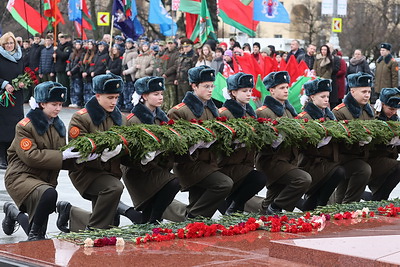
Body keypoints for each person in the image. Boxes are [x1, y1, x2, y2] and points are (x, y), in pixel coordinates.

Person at [2, 81, 80, 241]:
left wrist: (79, 158)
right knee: (49, 195)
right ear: (42, 103)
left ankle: (13, 212)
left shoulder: (58, 126)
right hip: (21, 177)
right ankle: (34, 236)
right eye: (54, 104)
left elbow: (60, 158)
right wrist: (63, 155)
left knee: (37, 231)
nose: (59, 108)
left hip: (44, 180)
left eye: (60, 104)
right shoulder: (25, 126)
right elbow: (30, 156)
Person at [56, 73, 126, 232]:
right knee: (114, 188)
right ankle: (93, 230)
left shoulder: (121, 118)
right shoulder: (81, 118)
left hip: (110, 171)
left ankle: (71, 214)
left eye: (116, 97)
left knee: (109, 220)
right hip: (85, 172)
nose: (114, 102)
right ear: (98, 95)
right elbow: (77, 151)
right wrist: (102, 157)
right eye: (110, 97)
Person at [167, 65, 233, 218]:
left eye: (212, 86)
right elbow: (175, 146)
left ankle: (195, 223)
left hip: (209, 163)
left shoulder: (212, 109)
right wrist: (194, 144)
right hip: (189, 165)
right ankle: (193, 218)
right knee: (224, 184)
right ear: (194, 86)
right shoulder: (179, 111)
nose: (210, 90)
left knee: (198, 200)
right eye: (206, 86)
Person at [249, 71, 312, 214]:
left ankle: (266, 212)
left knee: (273, 196)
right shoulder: (263, 112)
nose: (286, 90)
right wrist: (273, 141)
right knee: (303, 179)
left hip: (288, 159)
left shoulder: (289, 111)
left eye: (287, 87)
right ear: (271, 90)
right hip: (271, 161)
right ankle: (275, 208)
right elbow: (258, 143)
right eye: (281, 88)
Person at [120, 77, 180, 224]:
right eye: (155, 94)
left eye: (161, 94)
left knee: (148, 212)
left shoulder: (161, 118)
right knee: (173, 182)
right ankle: (153, 221)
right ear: (144, 96)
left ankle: (147, 220)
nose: (160, 97)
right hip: (139, 170)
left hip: (157, 167)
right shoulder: (133, 120)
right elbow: (128, 152)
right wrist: (146, 155)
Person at [218, 73, 266, 214]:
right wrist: (235, 142)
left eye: (250, 90)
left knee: (258, 179)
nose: (248, 94)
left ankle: (234, 207)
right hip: (228, 165)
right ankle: (232, 207)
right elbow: (220, 144)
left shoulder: (250, 114)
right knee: (259, 178)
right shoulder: (224, 113)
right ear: (233, 92)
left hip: (245, 163)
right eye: (244, 91)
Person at [296, 78, 345, 210]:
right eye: (322, 96)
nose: (326, 99)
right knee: (338, 171)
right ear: (312, 97)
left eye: (327, 96)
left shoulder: (330, 116)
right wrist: (317, 142)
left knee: (338, 171)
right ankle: (318, 205)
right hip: (310, 163)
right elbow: (301, 144)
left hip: (327, 162)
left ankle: (315, 206)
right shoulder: (304, 117)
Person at [332, 72, 373, 203]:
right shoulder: (340, 111)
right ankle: (348, 205)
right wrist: (356, 141)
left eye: (369, 91)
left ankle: (344, 206)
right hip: (344, 158)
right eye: (363, 91)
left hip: (362, 156)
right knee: (362, 170)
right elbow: (337, 141)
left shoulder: (369, 110)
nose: (367, 95)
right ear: (353, 91)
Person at [366, 88, 400, 200]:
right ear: (382, 104)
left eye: (396, 109)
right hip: (373, 158)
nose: (393, 112)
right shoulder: (373, 117)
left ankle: (379, 197)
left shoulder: (395, 119)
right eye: (391, 109)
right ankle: (378, 198)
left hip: (388, 159)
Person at [0, 32, 26, 170]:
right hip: (3, 96)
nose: (9, 46)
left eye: (11, 43)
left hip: (17, 96)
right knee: (3, 125)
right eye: (7, 44)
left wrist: (22, 82)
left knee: (16, 125)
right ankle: (2, 156)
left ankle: (13, 154)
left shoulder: (20, 56)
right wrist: (4, 84)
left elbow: (23, 72)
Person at [174, 38, 198, 105]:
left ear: (191, 46)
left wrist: (192, 80)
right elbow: (178, 68)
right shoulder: (181, 56)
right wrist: (176, 78)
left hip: (187, 81)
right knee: (180, 99)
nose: (185, 48)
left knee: (188, 99)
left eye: (187, 47)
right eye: (184, 47)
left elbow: (194, 69)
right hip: (180, 81)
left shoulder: (194, 56)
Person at [160, 37, 179, 110]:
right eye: (168, 43)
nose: (170, 45)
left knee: (172, 97)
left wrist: (166, 73)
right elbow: (161, 64)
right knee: (165, 96)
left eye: (171, 43)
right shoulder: (165, 53)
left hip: (171, 78)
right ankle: (165, 110)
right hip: (165, 79)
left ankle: (172, 110)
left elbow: (175, 66)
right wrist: (162, 73)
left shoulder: (177, 53)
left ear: (174, 44)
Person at [53, 33, 72, 106]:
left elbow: (64, 56)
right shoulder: (59, 47)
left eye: (62, 39)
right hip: (58, 68)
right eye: (60, 39)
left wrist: (57, 50)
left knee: (65, 85)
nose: (61, 41)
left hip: (64, 68)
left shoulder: (67, 47)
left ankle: (66, 100)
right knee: (60, 85)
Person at [120, 38, 138, 112]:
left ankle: (130, 106)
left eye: (129, 43)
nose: (128, 45)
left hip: (130, 76)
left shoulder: (134, 53)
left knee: (130, 91)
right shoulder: (125, 53)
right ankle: (126, 104)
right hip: (124, 76)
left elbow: (134, 66)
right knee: (125, 91)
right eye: (127, 43)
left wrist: (127, 71)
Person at [66, 40, 84, 108]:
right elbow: (68, 62)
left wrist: (72, 71)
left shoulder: (82, 54)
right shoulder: (72, 53)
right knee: (72, 88)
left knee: (77, 89)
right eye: (76, 45)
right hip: (71, 74)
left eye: (79, 45)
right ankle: (73, 101)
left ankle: (77, 102)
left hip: (77, 74)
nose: (77, 46)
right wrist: (68, 70)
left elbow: (79, 64)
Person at [81, 40, 96, 104]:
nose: (89, 45)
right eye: (88, 44)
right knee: (86, 90)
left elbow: (92, 66)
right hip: (86, 74)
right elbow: (83, 64)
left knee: (91, 90)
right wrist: (83, 71)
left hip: (90, 75)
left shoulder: (95, 55)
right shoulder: (87, 54)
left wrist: (87, 72)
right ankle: (86, 102)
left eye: (90, 44)